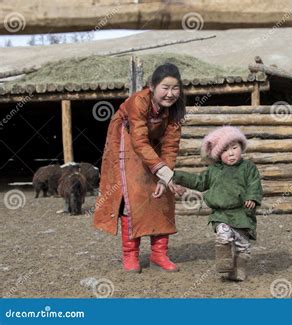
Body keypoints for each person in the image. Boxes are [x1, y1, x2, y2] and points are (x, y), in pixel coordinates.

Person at [93, 63, 186, 273]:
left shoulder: (176, 110)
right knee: (133, 192)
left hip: (151, 144)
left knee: (163, 195)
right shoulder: (139, 101)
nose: (170, 94)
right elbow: (139, 141)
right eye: (165, 87)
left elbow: (171, 146)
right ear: (152, 86)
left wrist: (166, 177)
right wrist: (162, 171)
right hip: (127, 139)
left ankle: (158, 254)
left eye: (175, 88)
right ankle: (130, 255)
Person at [172, 126, 263, 281]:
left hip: (242, 213)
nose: (231, 153)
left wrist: (252, 197)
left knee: (243, 246)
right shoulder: (214, 170)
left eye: (235, 148)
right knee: (223, 236)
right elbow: (199, 182)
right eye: (225, 151)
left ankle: (238, 271)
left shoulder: (248, 168)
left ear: (241, 147)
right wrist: (177, 176)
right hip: (220, 214)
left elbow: (255, 184)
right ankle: (224, 262)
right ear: (217, 155)